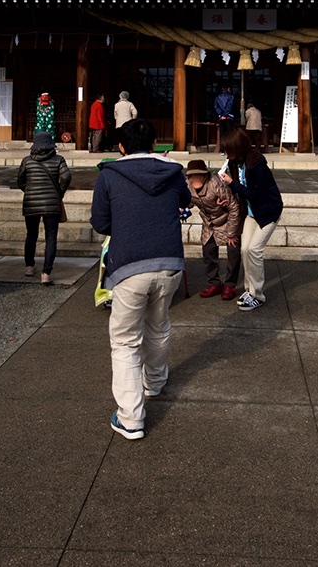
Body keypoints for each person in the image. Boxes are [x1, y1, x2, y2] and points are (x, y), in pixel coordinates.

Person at [91, 118, 190, 440]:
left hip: (130, 264)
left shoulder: (109, 175)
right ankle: (156, 383)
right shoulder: (173, 171)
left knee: (124, 340)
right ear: (153, 144)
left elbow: (101, 224)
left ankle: (131, 417)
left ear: (120, 146)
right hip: (170, 261)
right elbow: (185, 202)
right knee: (159, 326)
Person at [219, 125, 283, 312]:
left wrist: (232, 184)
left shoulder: (256, 164)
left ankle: (257, 295)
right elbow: (240, 192)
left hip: (268, 212)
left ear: (237, 147)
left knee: (254, 250)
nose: (225, 153)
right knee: (245, 249)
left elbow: (256, 195)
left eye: (227, 149)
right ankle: (249, 290)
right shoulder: (234, 162)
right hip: (251, 212)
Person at [16, 131, 72, 284]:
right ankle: (46, 273)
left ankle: (29, 266)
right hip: (51, 203)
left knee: (31, 235)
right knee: (51, 237)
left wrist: (29, 190)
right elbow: (66, 177)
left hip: (31, 202)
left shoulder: (27, 161)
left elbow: (20, 180)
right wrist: (59, 192)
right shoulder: (58, 160)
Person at [184, 158, 243, 300]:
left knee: (233, 250)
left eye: (198, 175)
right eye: (192, 176)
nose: (195, 178)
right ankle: (214, 283)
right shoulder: (188, 186)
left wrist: (231, 233)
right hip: (209, 223)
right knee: (208, 251)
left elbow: (234, 208)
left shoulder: (216, 184)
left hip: (227, 219)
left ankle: (230, 285)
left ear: (205, 175)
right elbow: (189, 203)